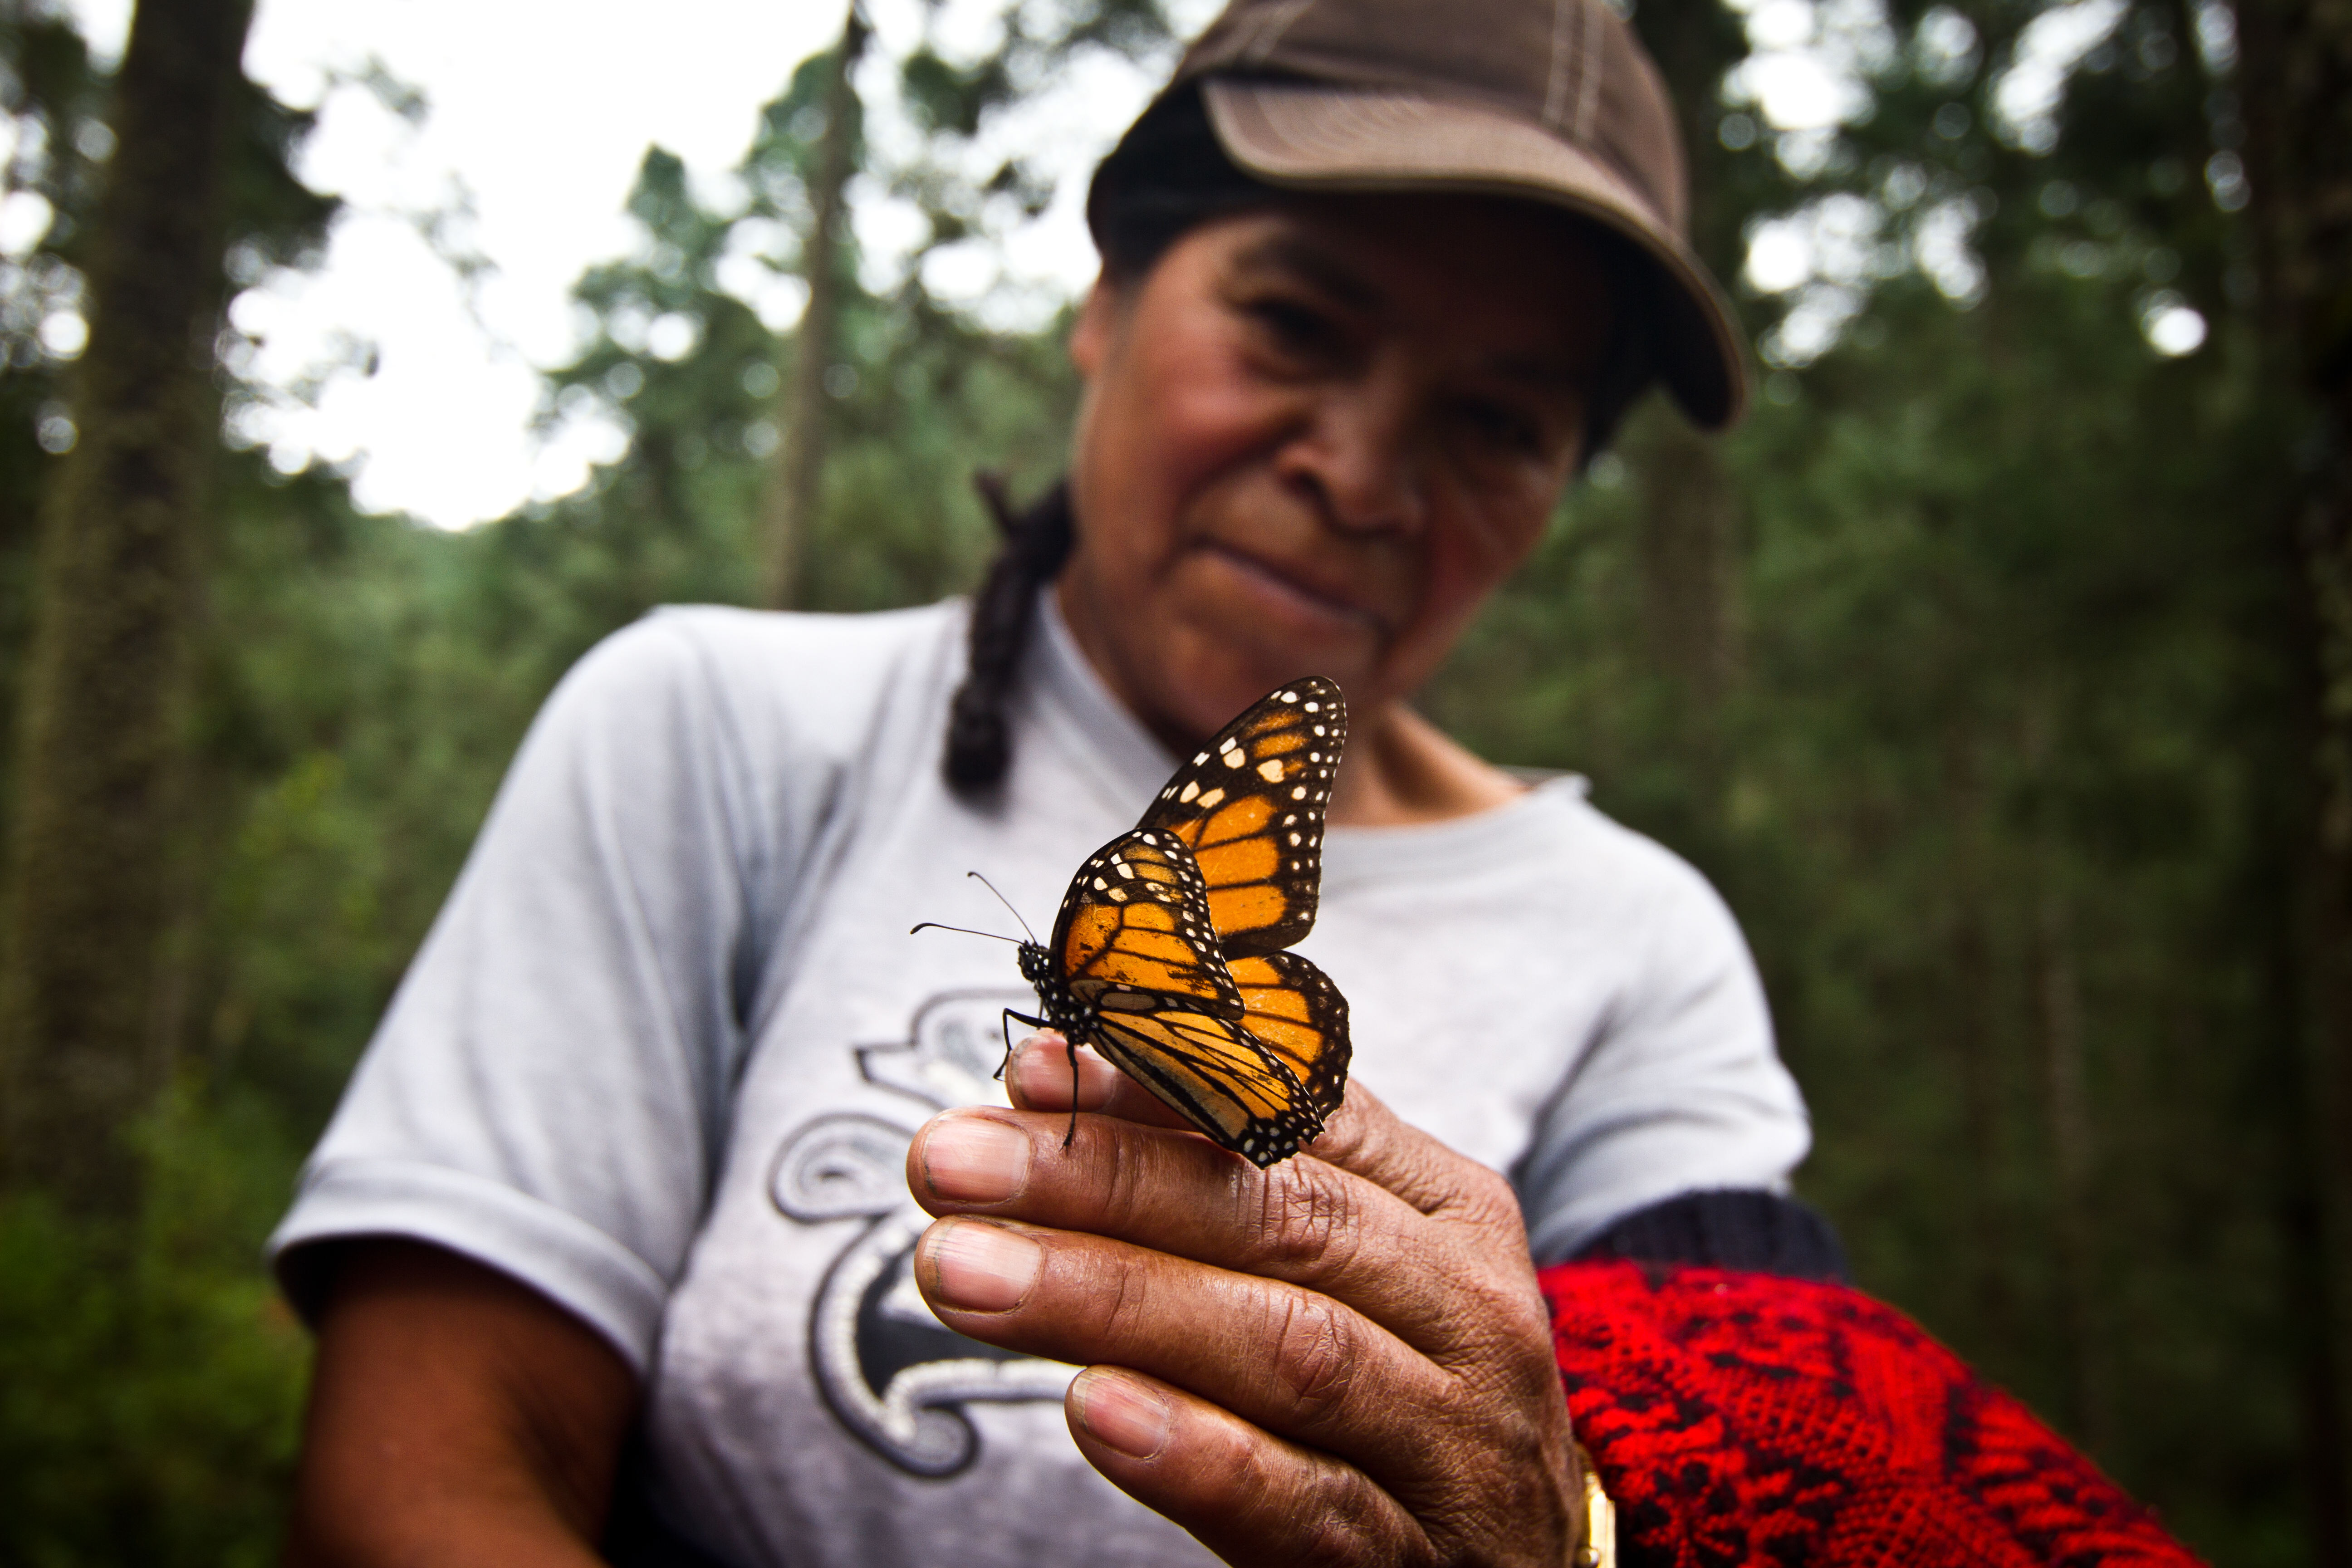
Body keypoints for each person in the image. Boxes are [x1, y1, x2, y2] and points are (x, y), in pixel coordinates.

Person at [273, 1, 1860, 1563]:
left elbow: (1778, 1471)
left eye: (1498, 421)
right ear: (1106, 295)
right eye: (1296, 326)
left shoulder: (1645, 946)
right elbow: (419, 1475)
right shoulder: (715, 726)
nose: (1362, 477)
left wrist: (1561, 1535)